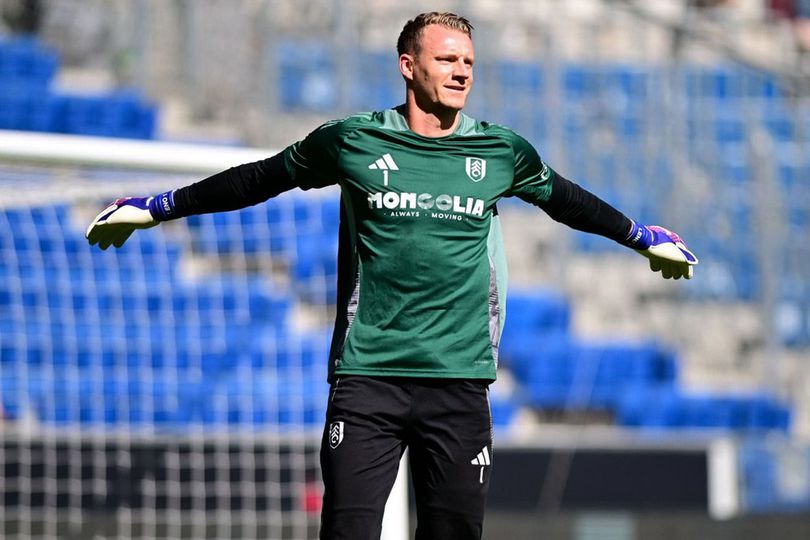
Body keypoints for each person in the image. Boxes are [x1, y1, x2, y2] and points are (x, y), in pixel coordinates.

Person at [86, 12, 698, 540]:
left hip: (459, 384)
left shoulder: (500, 151)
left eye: (469, 62)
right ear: (409, 66)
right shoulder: (354, 140)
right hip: (368, 379)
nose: (462, 72)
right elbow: (259, 178)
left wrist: (640, 237)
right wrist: (159, 207)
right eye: (447, 59)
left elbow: (569, 201)